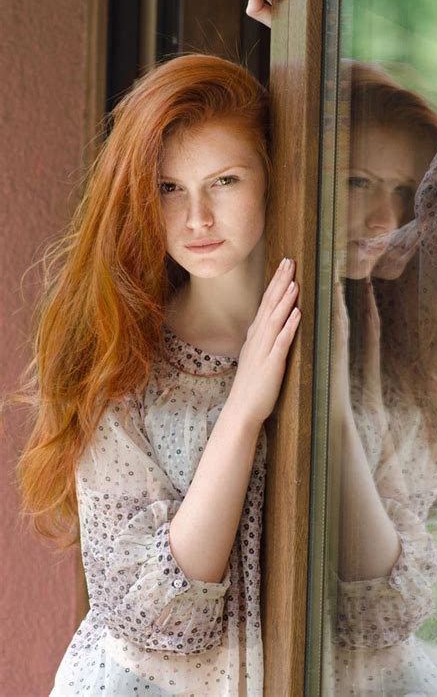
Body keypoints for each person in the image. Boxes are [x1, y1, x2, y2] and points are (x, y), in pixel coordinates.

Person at [16, 53, 302, 696]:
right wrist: (243, 410)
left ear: (274, 174)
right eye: (170, 188)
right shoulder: (123, 360)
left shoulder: (332, 319)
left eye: (224, 181)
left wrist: (283, 6)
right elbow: (159, 617)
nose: (196, 218)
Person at [248, 0, 437, 697]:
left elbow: (385, 607)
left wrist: (339, 410)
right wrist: (274, 27)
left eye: (408, 195)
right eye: (356, 181)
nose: (386, 217)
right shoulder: (242, 308)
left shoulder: (389, 334)